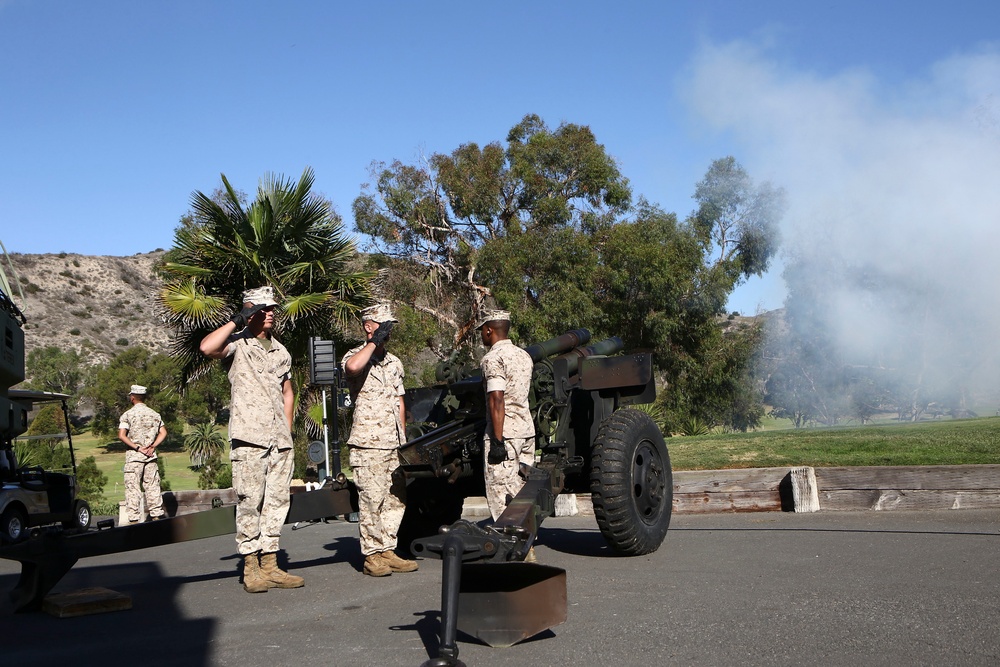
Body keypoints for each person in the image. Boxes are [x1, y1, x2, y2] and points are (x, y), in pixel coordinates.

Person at [200, 285, 303, 593]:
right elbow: (207, 348)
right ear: (250, 311)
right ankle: (250, 566)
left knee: (276, 501)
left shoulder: (281, 351)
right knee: (250, 501)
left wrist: (287, 428)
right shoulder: (237, 344)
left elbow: (288, 392)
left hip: (279, 440)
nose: (270, 312)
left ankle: (270, 564)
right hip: (250, 437)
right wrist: (237, 320)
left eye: (272, 308)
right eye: (263, 308)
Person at [342, 303, 418, 577]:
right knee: (372, 499)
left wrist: (404, 438)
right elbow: (352, 368)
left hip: (393, 441)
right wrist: (373, 343)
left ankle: (388, 548)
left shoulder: (394, 362)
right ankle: (372, 555)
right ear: (368, 326)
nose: (388, 332)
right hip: (368, 442)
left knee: (395, 498)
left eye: (390, 327)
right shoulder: (355, 356)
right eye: (382, 325)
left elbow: (400, 401)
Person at [478, 310, 537, 527]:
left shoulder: (493, 358)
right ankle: (528, 541)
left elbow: (497, 399)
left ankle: (510, 543)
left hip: (506, 433)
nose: (482, 336)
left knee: (502, 493)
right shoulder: (524, 356)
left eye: (482, 332)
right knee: (523, 491)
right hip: (526, 431)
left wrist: (497, 440)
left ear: (489, 330)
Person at [118, 384, 167, 524]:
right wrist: (153, 446)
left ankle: (134, 519)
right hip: (150, 457)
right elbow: (163, 432)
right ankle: (156, 516)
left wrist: (137, 447)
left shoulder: (127, 415)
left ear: (132, 397)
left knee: (133, 488)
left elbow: (122, 435)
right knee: (152, 486)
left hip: (134, 458)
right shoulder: (154, 414)